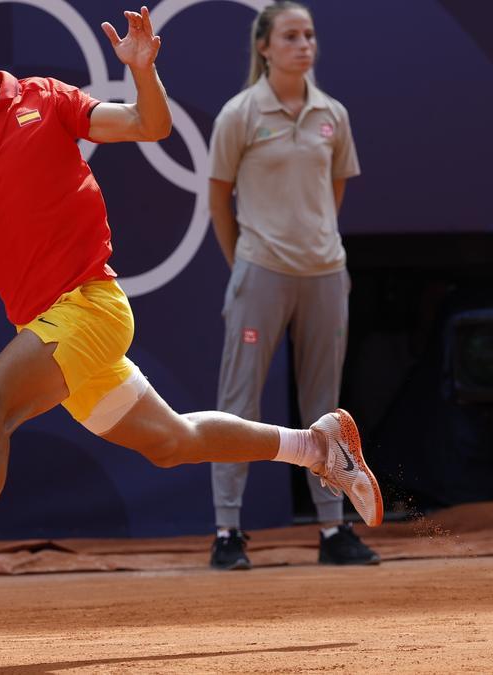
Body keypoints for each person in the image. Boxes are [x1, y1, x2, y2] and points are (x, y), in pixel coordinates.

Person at [0, 0, 382, 643]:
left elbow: (148, 125)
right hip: (52, 323)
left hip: (91, 306)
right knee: (172, 442)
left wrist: (142, 71)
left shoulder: (46, 99)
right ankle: (315, 446)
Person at [206, 1, 379, 571]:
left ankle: (333, 529)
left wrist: (315, 244)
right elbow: (219, 199)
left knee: (326, 408)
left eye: (308, 35)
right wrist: (248, 263)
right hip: (261, 271)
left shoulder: (335, 114)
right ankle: (227, 531)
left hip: (325, 273)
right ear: (264, 47)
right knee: (239, 401)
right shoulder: (239, 113)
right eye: (289, 36)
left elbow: (333, 194)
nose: (303, 45)